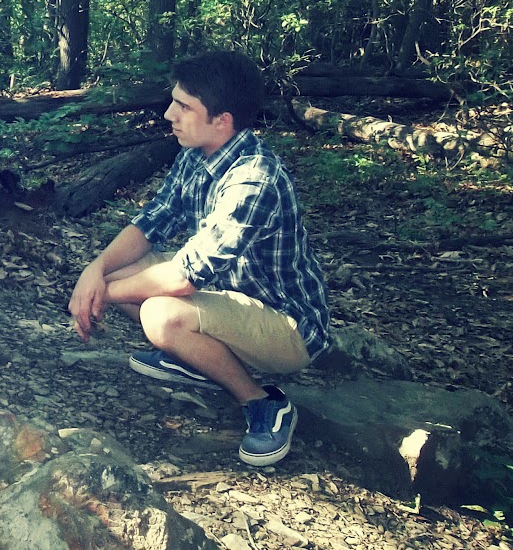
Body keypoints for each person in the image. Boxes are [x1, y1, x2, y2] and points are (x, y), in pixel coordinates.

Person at [67, 50, 331, 467]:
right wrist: (95, 271)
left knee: (160, 315)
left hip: (287, 326)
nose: (169, 114)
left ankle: (262, 402)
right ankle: (199, 362)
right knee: (119, 271)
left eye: (184, 107)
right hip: (228, 298)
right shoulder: (196, 155)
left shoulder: (254, 179)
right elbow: (151, 223)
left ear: (222, 120)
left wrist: (102, 293)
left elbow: (186, 276)